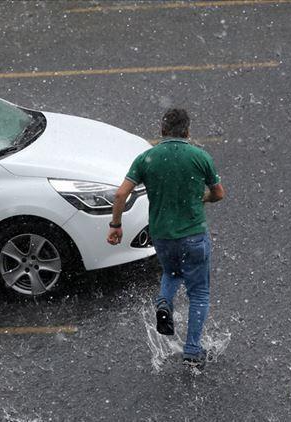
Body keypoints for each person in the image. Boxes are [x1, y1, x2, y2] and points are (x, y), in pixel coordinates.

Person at [106, 108, 224, 369]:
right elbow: (218, 193)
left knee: (171, 274)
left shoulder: (147, 157)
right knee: (199, 293)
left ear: (161, 131)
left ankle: (164, 303)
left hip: (162, 235)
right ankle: (192, 350)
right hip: (193, 235)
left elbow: (120, 194)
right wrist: (200, 198)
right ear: (188, 131)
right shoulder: (200, 157)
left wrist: (116, 225)